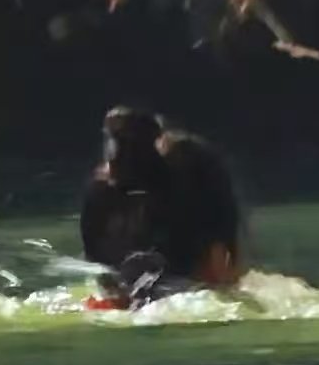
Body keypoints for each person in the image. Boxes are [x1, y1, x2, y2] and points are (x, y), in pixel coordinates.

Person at [80, 106, 243, 308]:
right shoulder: (101, 192)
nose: (115, 156)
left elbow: (220, 234)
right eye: (114, 141)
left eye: (126, 144)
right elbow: (97, 259)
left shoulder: (188, 173)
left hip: (193, 246)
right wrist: (115, 294)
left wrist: (220, 274)